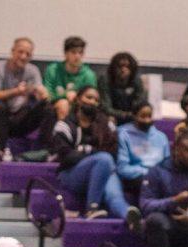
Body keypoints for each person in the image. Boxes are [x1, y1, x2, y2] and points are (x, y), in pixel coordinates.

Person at [49, 86, 141, 227]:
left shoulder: (106, 125)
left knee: (113, 192)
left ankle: (128, 215)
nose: (92, 102)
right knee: (104, 159)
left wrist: (84, 151)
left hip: (102, 171)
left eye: (96, 100)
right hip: (71, 174)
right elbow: (66, 157)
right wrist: (92, 152)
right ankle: (92, 208)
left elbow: (113, 154)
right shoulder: (64, 125)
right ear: (78, 99)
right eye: (89, 97)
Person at [0, 37, 49, 152]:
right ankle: (0, 151)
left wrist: (41, 94)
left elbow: (43, 95)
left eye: (28, 54)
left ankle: (44, 151)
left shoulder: (33, 70)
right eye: (20, 52)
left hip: (17, 119)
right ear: (12, 51)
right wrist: (16, 91)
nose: (23, 57)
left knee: (48, 108)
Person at [115, 101, 170, 191]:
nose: (147, 120)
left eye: (149, 116)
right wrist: (148, 173)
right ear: (134, 116)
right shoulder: (123, 134)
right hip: (136, 178)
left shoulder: (161, 137)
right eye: (143, 116)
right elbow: (123, 168)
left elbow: (167, 164)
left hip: (158, 177)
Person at [43, 36, 96, 122]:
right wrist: (65, 95)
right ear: (66, 53)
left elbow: (92, 100)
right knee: (63, 104)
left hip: (80, 107)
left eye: (80, 53)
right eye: (73, 52)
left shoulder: (89, 75)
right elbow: (47, 96)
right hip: (56, 106)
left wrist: (77, 98)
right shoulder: (52, 70)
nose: (77, 56)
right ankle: (62, 133)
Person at [98, 52, 146, 125]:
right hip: (111, 116)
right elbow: (105, 106)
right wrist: (125, 114)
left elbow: (140, 102)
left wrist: (133, 114)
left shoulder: (136, 80)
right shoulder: (105, 80)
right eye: (120, 66)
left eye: (128, 67)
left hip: (132, 116)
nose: (123, 69)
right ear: (113, 68)